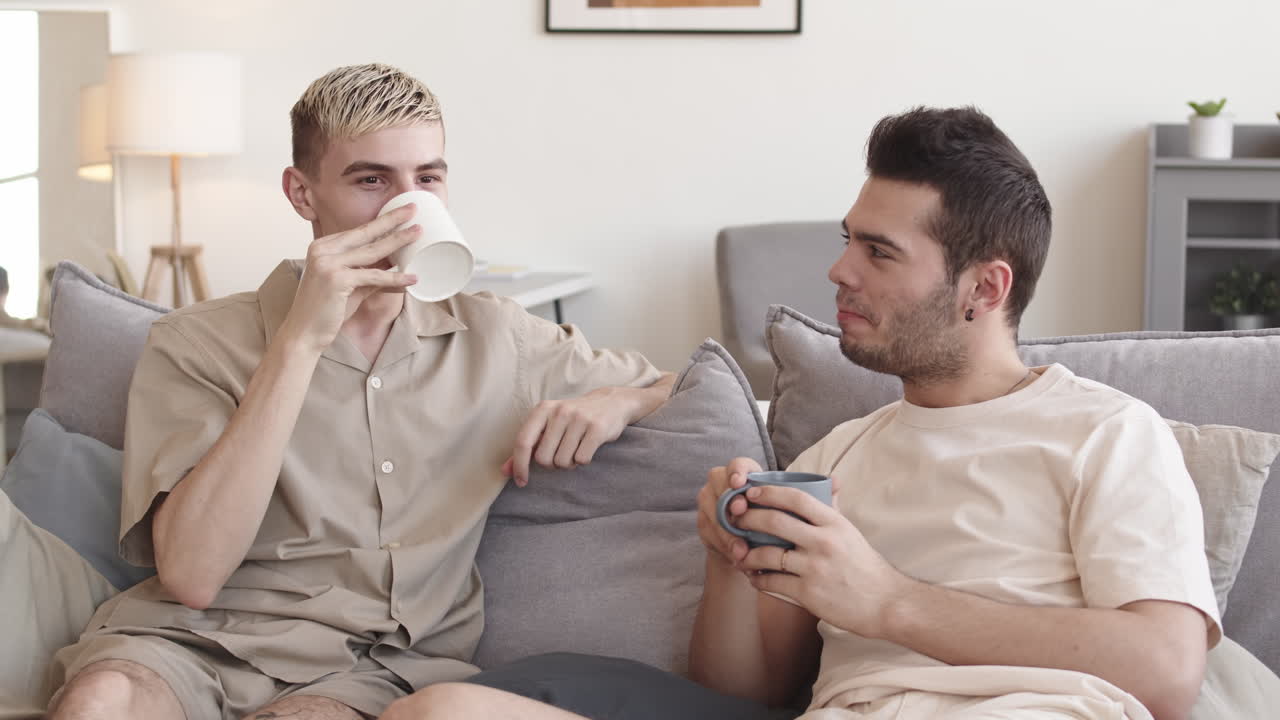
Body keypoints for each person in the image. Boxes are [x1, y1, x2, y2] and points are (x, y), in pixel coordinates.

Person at [382, 107, 1219, 720]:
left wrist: (887, 601)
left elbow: (1167, 670)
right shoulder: (840, 456)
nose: (838, 271)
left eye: (878, 251)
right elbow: (747, 694)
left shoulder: (1107, 432)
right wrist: (724, 563)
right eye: (848, 239)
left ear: (985, 288)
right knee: (439, 713)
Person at [45, 62, 675, 720]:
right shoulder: (197, 341)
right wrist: (299, 343)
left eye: (427, 179)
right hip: (196, 640)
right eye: (371, 180)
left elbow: (693, 384)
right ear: (301, 193)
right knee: (100, 700)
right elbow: (192, 575)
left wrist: (622, 401)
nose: (406, 209)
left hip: (374, 666)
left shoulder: (500, 338)